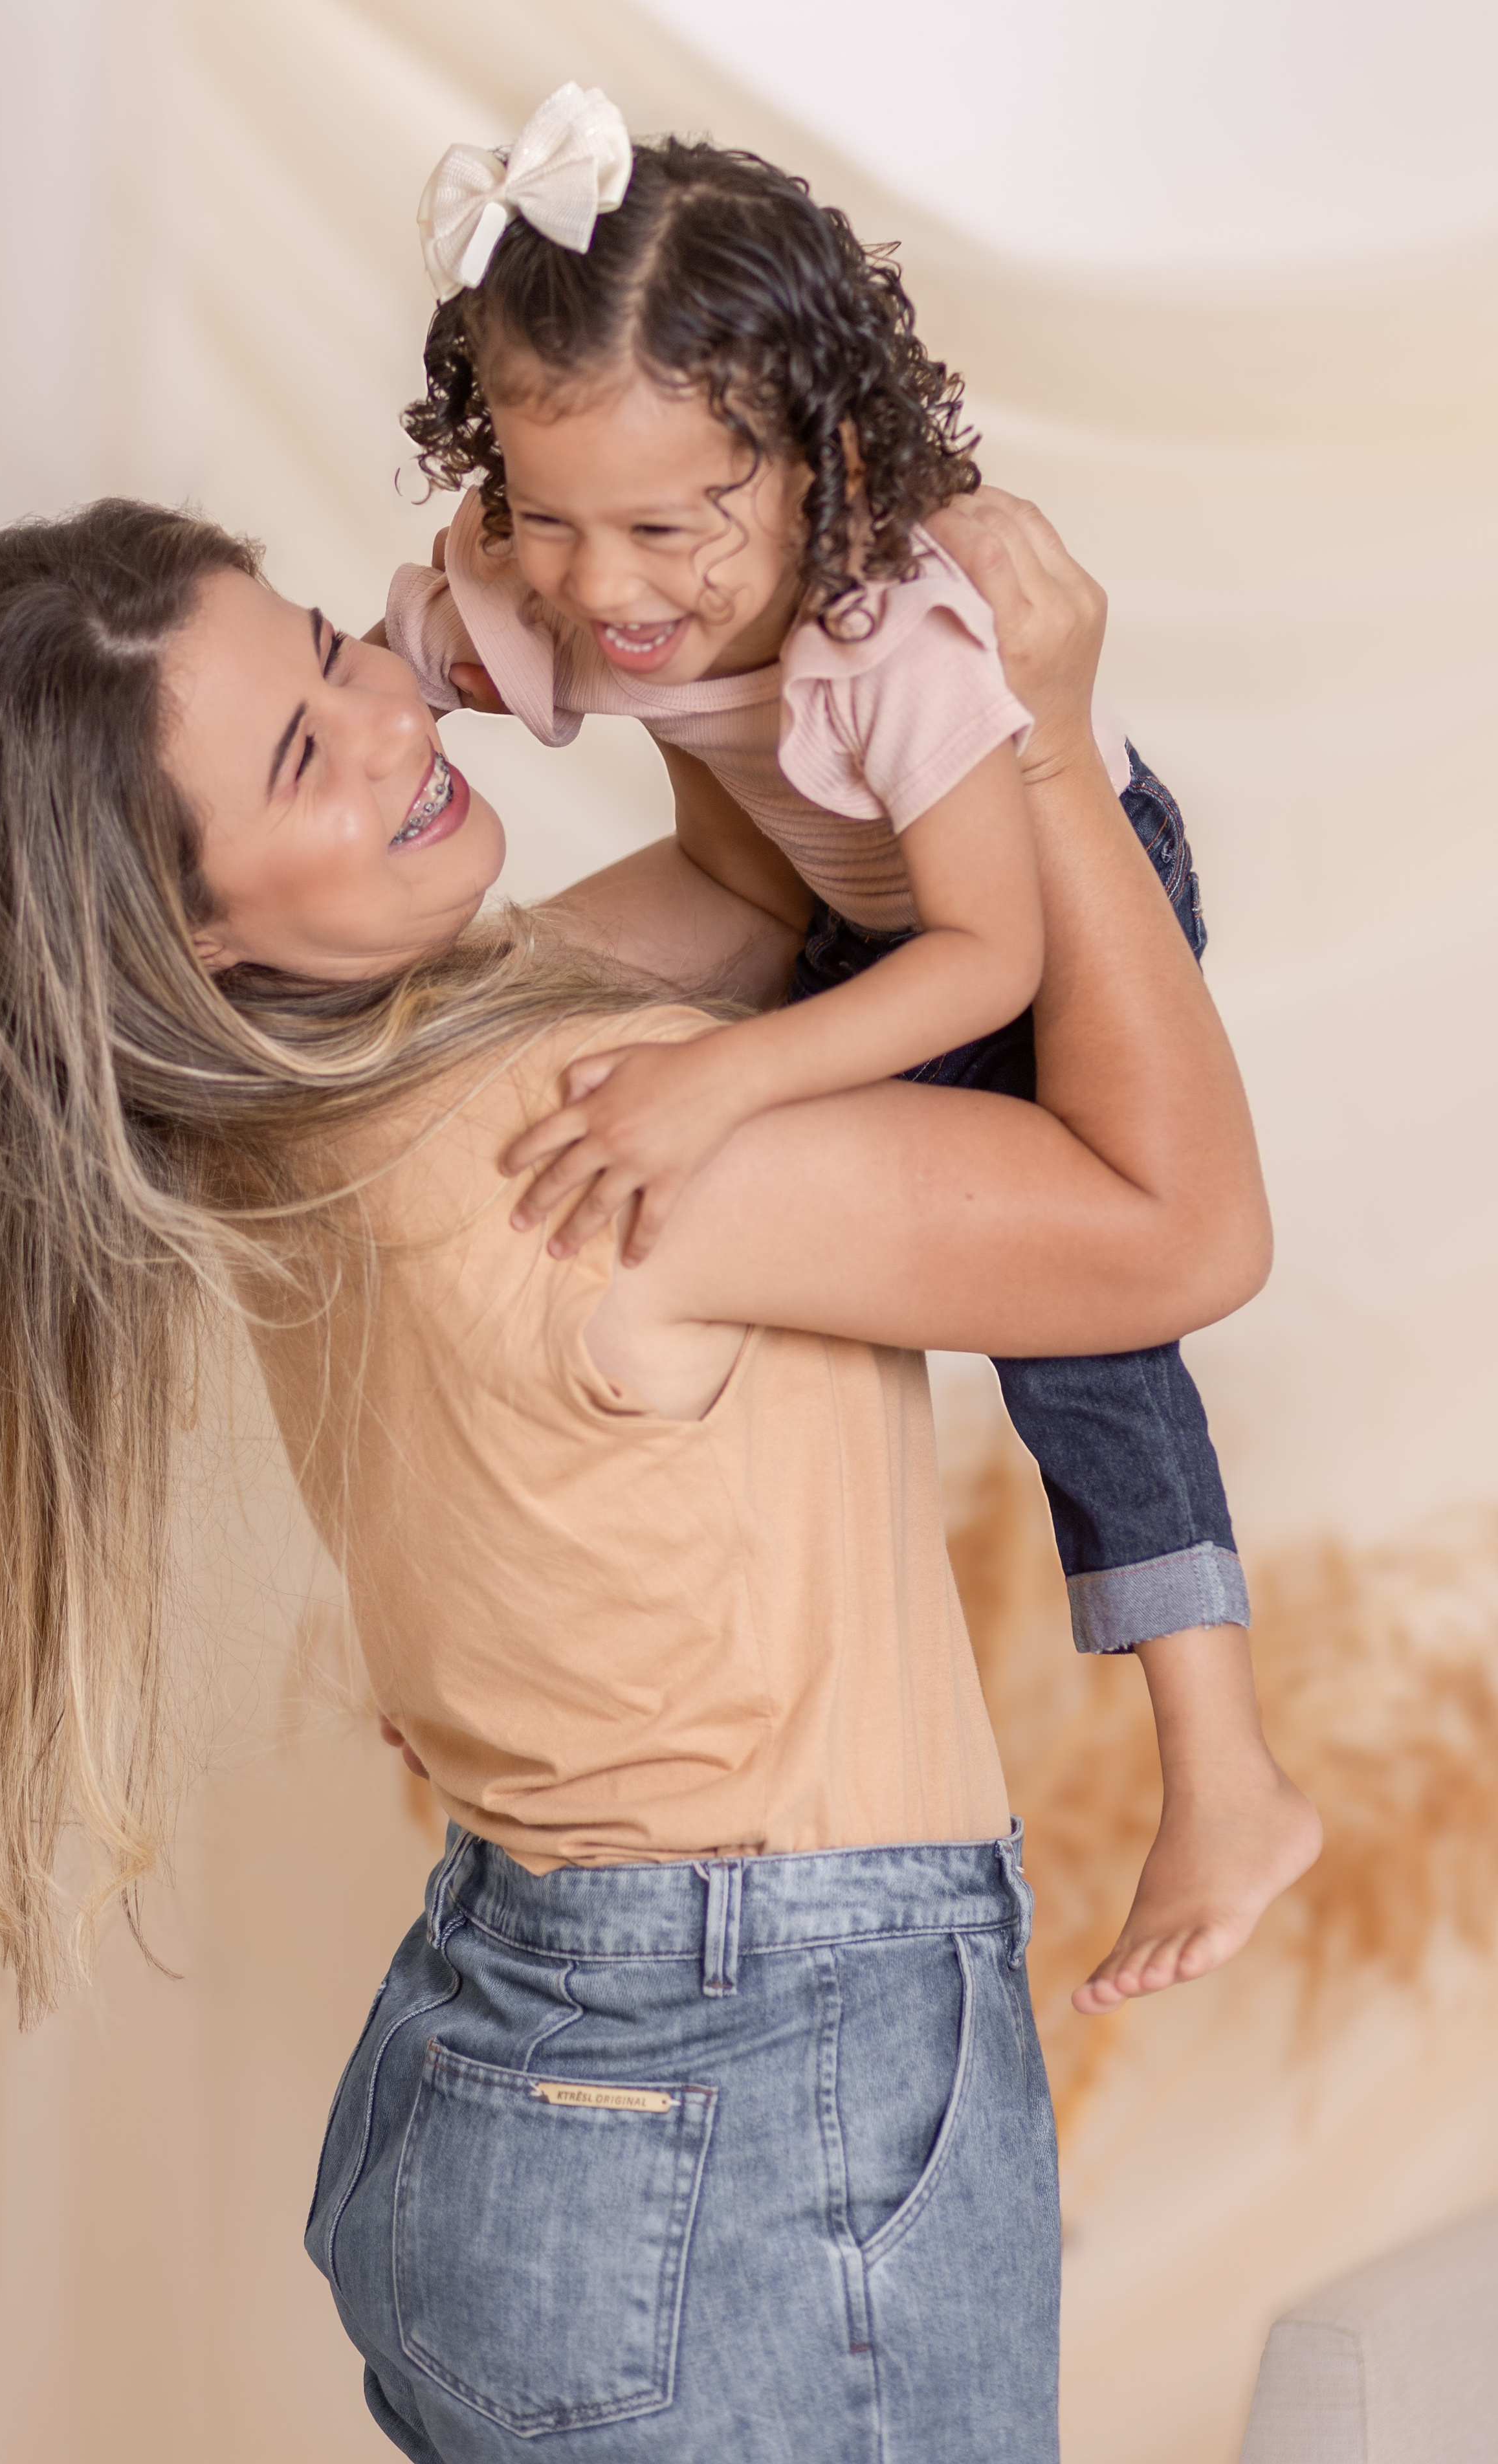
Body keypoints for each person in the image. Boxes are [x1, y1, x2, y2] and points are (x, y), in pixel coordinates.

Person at [0, 485, 1301, 2464]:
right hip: (757, 2100)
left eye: (331, 648)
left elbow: (758, 888)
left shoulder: (329, 1100)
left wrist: (614, 600)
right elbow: (1182, 1225)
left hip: (516, 2078)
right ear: (185, 933)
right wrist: (1029, 722)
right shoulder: (582, 1151)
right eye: (299, 752)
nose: (388, 718)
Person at [386, 93, 1281, 2008]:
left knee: (1086, 1333)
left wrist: (733, 1072)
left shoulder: (899, 642)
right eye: (552, 515)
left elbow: (984, 957)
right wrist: (395, 689)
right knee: (519, 1103)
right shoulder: (558, 571)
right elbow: (426, 678)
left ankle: (1227, 1767)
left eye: (668, 527)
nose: (611, 590)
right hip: (829, 917)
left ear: (821, 463)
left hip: (1025, 931)